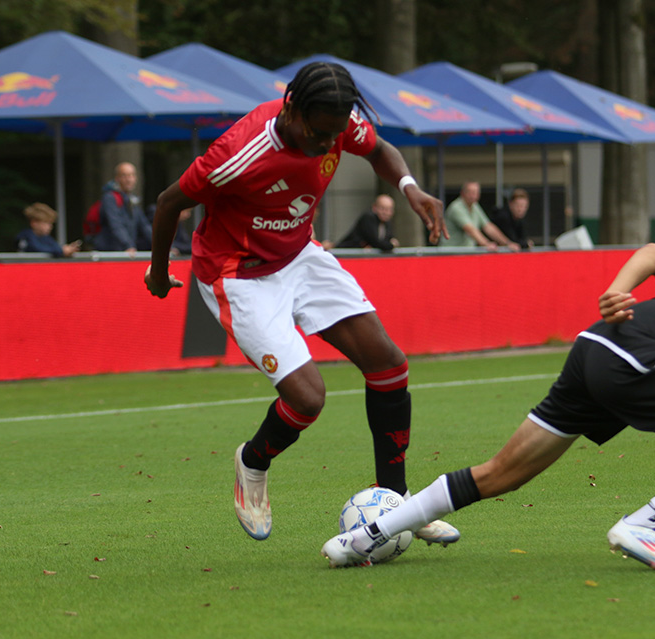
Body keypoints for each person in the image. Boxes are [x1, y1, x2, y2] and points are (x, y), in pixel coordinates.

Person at [322, 243, 655, 572]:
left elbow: (654, 254)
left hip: (596, 342)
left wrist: (616, 292)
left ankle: (364, 537)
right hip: (642, 360)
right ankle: (649, 524)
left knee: (502, 473)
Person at [143, 61, 459, 546]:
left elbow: (380, 150)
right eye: (318, 134)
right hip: (239, 274)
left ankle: (397, 503)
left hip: (300, 256)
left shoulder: (336, 124)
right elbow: (169, 202)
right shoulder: (239, 152)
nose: (327, 145)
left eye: (335, 135)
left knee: (389, 364)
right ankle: (253, 461)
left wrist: (409, 188)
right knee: (308, 398)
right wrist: (160, 271)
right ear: (292, 108)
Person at [93, 162, 153, 255]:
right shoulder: (110, 198)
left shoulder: (133, 200)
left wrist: (164, 246)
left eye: (132, 175)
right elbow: (116, 225)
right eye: (124, 176)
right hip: (111, 253)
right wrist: (128, 245)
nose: (129, 179)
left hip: (126, 252)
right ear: (117, 179)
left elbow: (145, 226)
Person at [441, 181, 520, 251]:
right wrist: (486, 244)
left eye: (475, 192)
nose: (473, 196)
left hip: (464, 254)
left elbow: (488, 227)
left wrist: (508, 243)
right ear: (462, 193)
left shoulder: (475, 206)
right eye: (470, 192)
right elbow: (470, 229)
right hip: (450, 253)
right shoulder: (456, 207)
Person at [334, 194, 399, 251]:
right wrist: (392, 245)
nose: (386, 213)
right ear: (374, 207)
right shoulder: (368, 218)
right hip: (346, 255)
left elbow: (387, 240)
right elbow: (376, 242)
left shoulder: (386, 223)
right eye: (382, 208)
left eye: (389, 209)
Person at [16, 203, 81, 257]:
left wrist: (65, 249)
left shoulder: (46, 237)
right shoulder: (25, 236)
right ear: (34, 223)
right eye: (46, 223)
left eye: (51, 223)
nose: (50, 227)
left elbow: (55, 247)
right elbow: (36, 248)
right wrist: (62, 250)